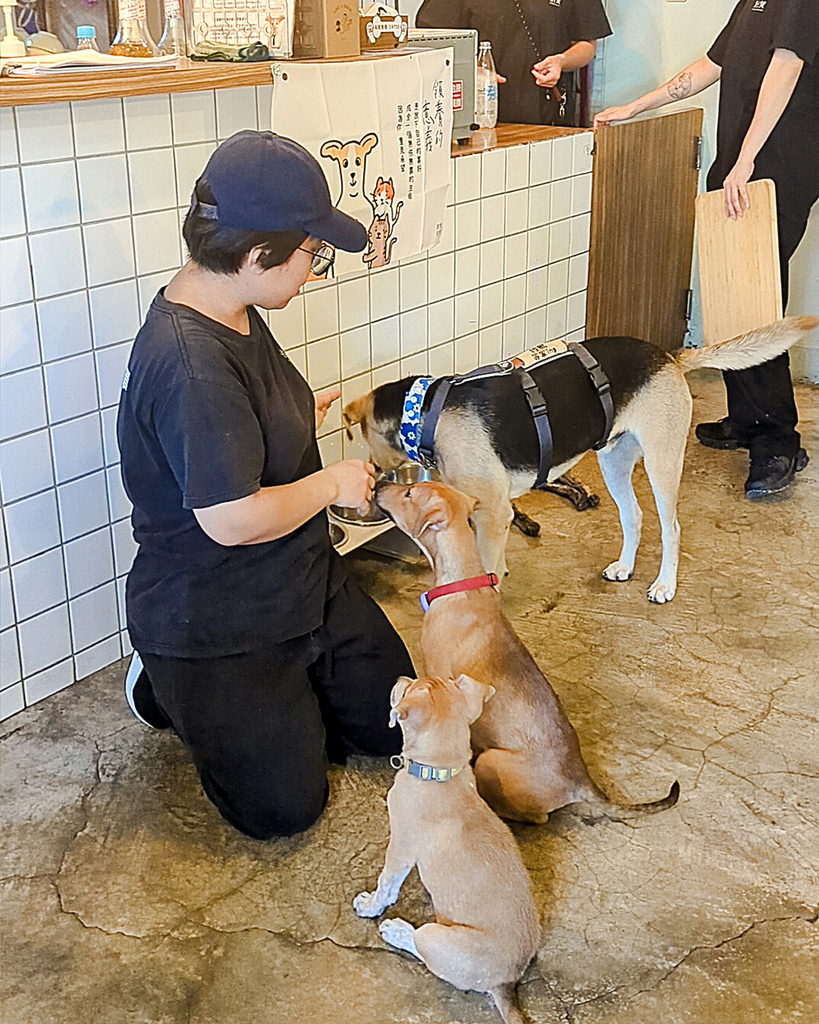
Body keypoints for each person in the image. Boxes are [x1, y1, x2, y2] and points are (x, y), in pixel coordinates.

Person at [117, 131, 414, 840]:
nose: (310, 271)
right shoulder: (191, 364)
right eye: (309, 256)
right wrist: (332, 481)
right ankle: (164, 682)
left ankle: (287, 691)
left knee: (392, 728)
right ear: (255, 256)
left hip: (302, 574)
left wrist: (287, 422)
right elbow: (229, 520)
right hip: (217, 607)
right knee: (283, 811)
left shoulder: (234, 303)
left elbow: (238, 425)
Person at [595, 1, 818, 499]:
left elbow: (789, 65)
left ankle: (777, 441)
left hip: (775, 168)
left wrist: (747, 159)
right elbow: (710, 66)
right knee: (733, 294)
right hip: (740, 166)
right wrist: (638, 105)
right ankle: (746, 418)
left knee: (756, 301)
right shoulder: (751, 4)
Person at [415, 0, 611, 126]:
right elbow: (433, 38)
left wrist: (562, 61)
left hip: (546, 114)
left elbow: (587, 45)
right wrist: (467, 70)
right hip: (479, 113)